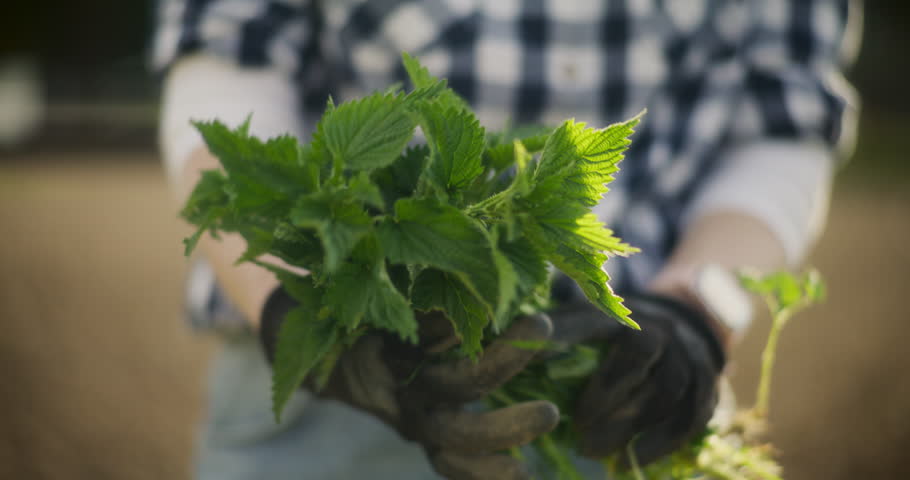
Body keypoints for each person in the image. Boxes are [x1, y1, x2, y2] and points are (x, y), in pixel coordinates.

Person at [152, 0, 860, 478]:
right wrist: (294, 305)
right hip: (322, 414)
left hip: (627, 396)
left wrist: (698, 308)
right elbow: (223, 85)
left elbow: (781, 128)